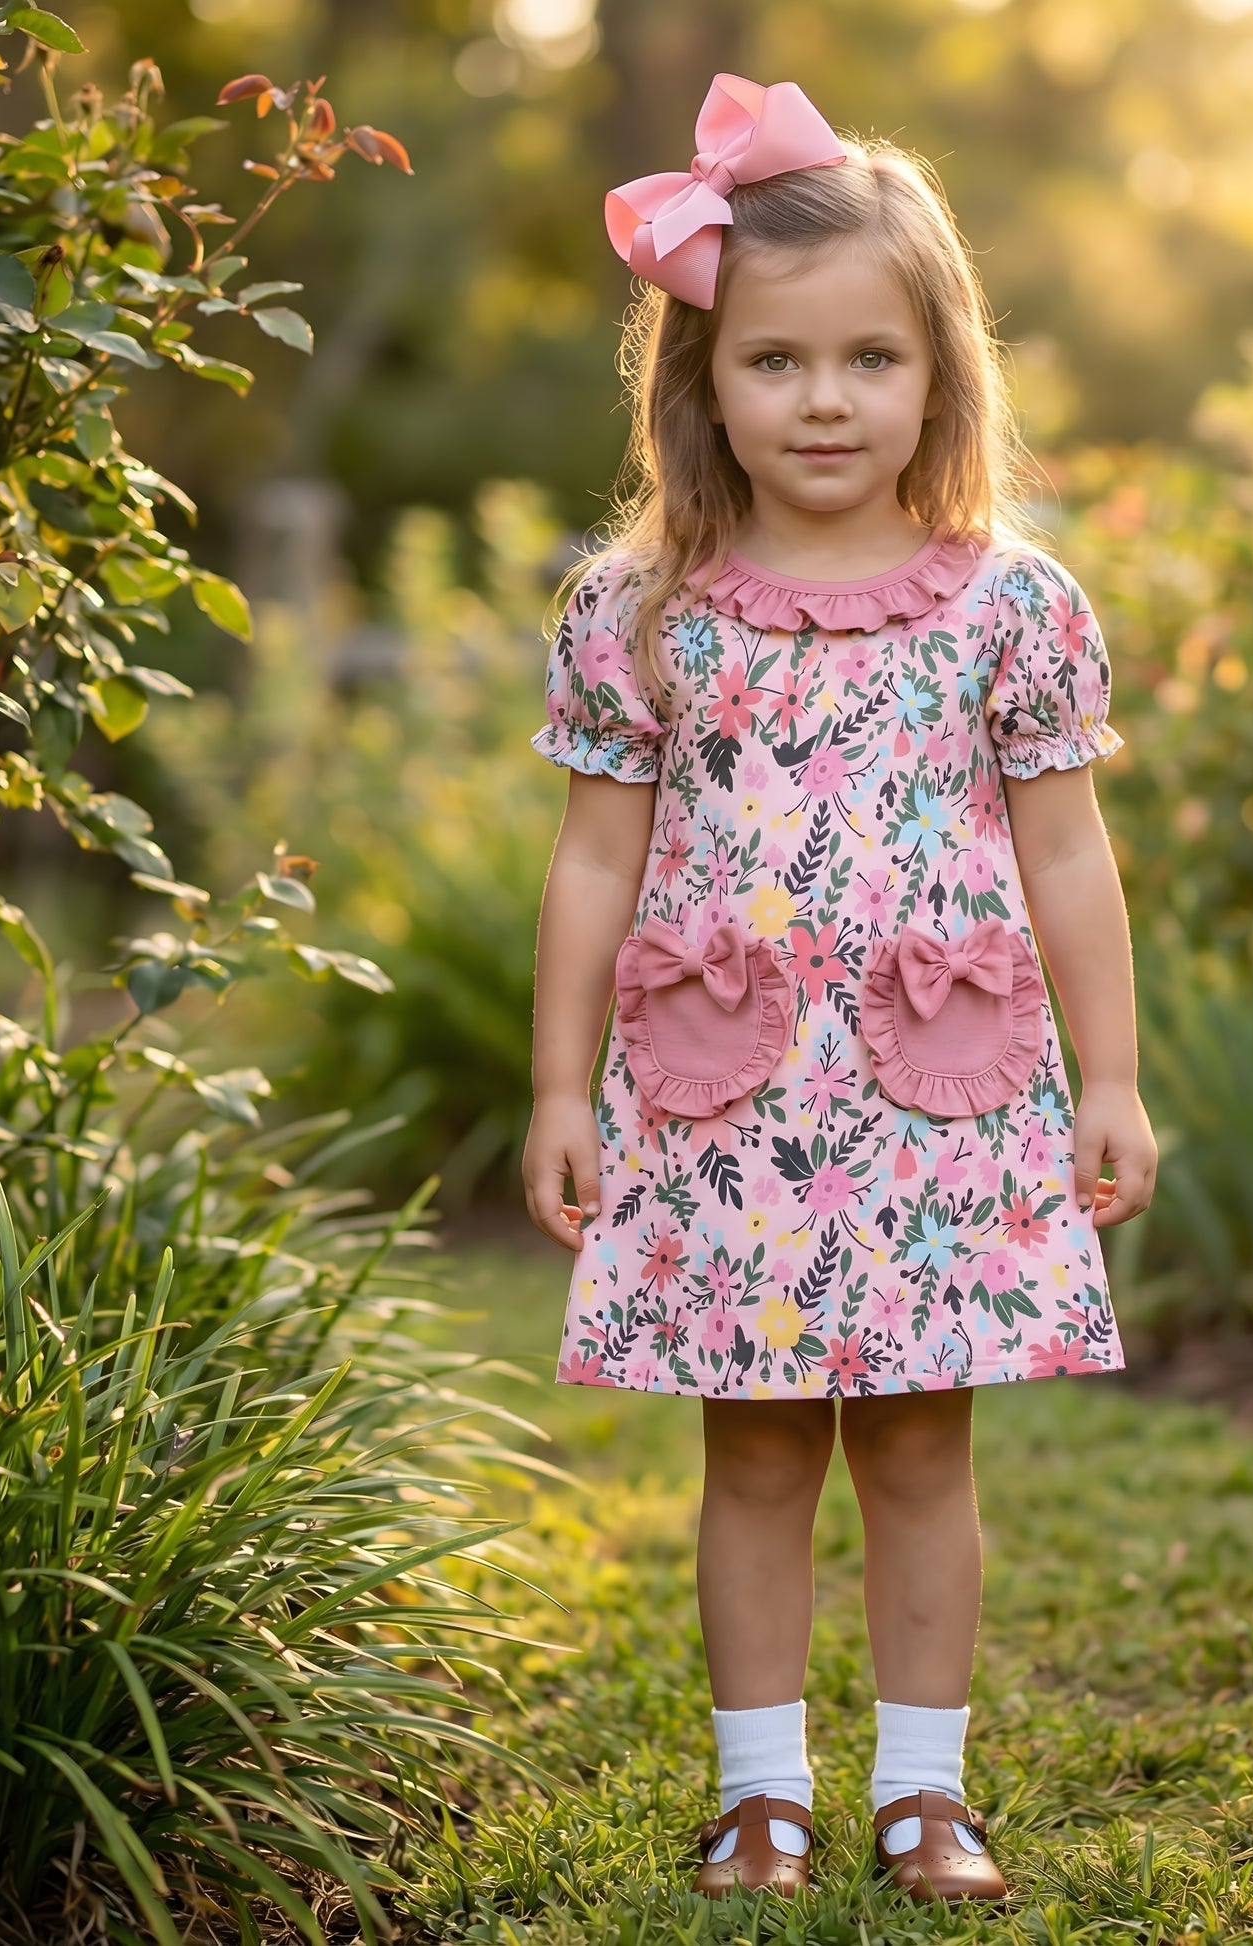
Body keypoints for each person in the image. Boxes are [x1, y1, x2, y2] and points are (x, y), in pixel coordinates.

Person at [522, 72, 1156, 1904]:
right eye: (776, 361)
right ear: (701, 383)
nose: (822, 399)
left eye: (867, 359)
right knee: (753, 1451)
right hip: (727, 1115)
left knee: (919, 1442)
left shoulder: (1005, 606)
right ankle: (758, 1794)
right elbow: (591, 861)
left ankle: (924, 1791)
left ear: (936, 372)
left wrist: (1106, 1078)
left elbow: (1063, 862)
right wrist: (561, 1088)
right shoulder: (647, 609)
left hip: (933, 1099)